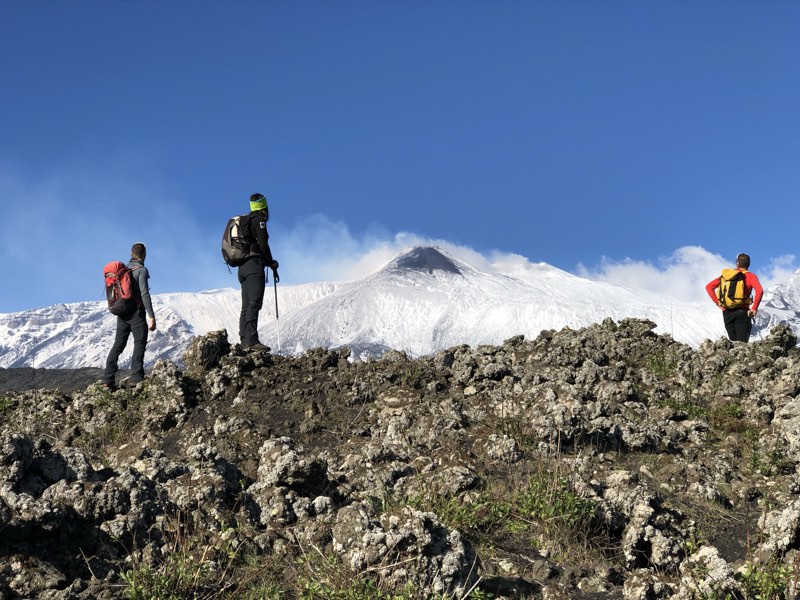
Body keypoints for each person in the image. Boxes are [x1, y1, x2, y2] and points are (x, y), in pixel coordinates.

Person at [102, 243, 157, 390]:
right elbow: (144, 294)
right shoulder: (141, 270)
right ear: (144, 254)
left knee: (118, 345)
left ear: (131, 253)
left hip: (122, 312)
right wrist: (151, 316)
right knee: (139, 343)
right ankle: (136, 378)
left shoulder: (123, 270)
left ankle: (107, 379)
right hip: (136, 312)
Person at [238, 193, 279, 350]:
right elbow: (263, 244)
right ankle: (252, 341)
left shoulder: (245, 222)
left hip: (242, 268)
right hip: (254, 267)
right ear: (264, 207)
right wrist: (271, 262)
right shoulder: (259, 221)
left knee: (246, 305)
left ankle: (244, 340)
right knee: (254, 304)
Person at [705, 253, 763, 343]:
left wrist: (718, 302)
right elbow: (759, 291)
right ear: (748, 264)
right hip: (742, 312)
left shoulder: (726, 276)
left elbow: (709, 287)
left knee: (733, 346)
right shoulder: (750, 276)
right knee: (742, 345)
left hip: (727, 313)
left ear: (737, 263)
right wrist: (754, 309)